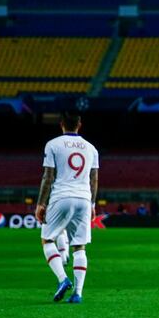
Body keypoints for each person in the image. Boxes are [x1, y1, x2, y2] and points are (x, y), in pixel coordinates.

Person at [35, 111, 99, 304]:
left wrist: (40, 203)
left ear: (61, 124)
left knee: (47, 240)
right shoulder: (91, 148)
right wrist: (93, 204)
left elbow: (48, 176)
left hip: (62, 195)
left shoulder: (53, 144)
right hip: (84, 198)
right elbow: (94, 179)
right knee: (79, 246)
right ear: (80, 125)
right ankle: (78, 294)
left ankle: (63, 279)